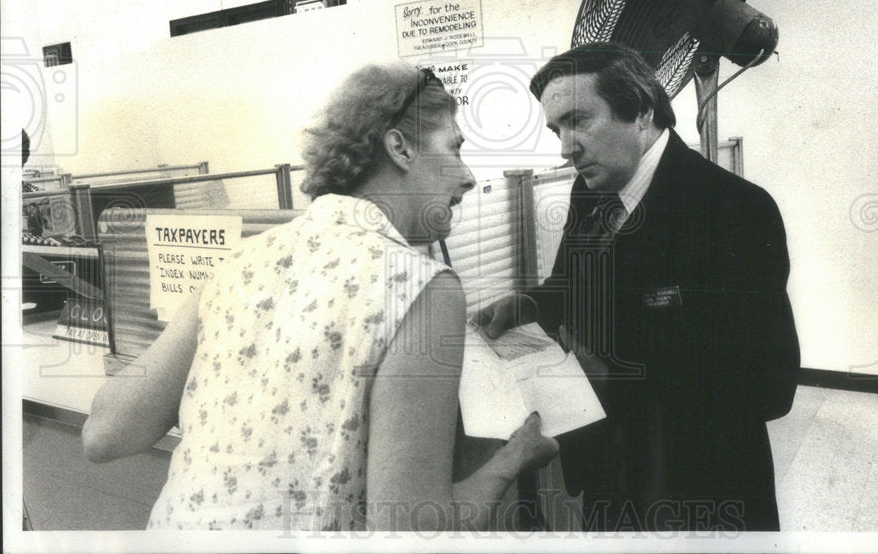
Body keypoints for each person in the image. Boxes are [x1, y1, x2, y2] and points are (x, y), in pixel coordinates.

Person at [82, 62, 558, 531]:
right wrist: (511, 460)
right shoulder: (420, 284)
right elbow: (409, 529)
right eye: (455, 149)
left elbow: (104, 433)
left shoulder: (237, 261)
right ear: (400, 148)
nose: (468, 176)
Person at [475, 42, 800, 532]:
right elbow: (569, 284)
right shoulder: (592, 190)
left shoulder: (734, 209)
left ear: (643, 111)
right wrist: (523, 304)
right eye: (556, 129)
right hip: (610, 472)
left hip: (699, 487)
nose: (565, 147)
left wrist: (613, 376)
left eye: (579, 120)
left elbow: (769, 387)